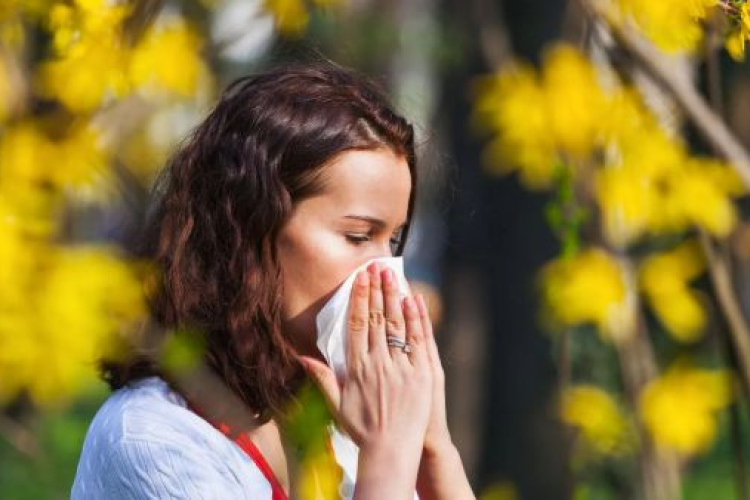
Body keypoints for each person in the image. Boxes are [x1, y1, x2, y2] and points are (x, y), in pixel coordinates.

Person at [71, 62, 474, 500]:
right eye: (358, 236)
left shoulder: (344, 422)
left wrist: (434, 451)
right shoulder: (151, 440)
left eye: (392, 240)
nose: (386, 276)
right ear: (250, 228)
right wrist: (389, 455)